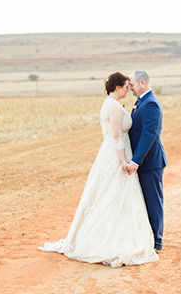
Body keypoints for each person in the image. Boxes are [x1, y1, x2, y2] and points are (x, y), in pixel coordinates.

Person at [38, 72, 158, 267]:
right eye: (127, 87)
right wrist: (124, 162)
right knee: (113, 196)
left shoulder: (110, 105)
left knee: (109, 196)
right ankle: (107, 239)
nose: (129, 90)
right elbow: (117, 137)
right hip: (116, 156)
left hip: (110, 154)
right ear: (118, 88)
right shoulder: (115, 108)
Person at [128, 70, 167, 252]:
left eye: (133, 85)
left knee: (153, 201)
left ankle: (156, 242)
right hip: (144, 162)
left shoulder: (151, 104)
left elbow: (148, 135)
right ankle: (147, 238)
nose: (131, 89)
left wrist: (136, 161)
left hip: (150, 163)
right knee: (145, 201)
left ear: (142, 82)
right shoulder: (142, 101)